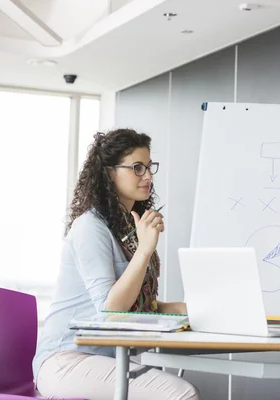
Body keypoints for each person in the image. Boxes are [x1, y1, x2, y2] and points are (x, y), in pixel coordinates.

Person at [33, 129, 200, 400]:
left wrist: (197, 309)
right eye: (137, 168)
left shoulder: (128, 225)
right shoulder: (90, 227)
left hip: (110, 359)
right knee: (180, 393)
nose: (147, 176)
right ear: (110, 173)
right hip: (67, 360)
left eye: (148, 167)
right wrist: (145, 249)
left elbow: (144, 307)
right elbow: (111, 312)